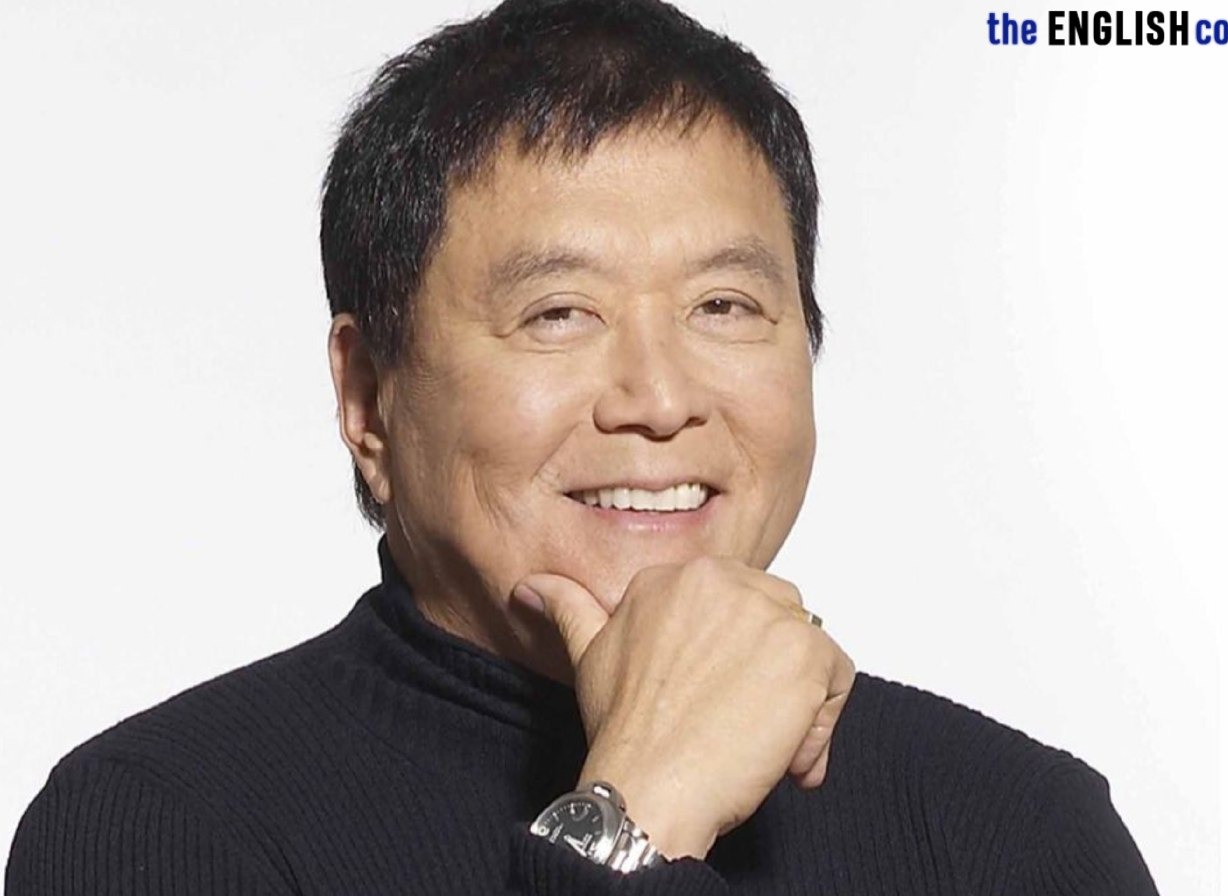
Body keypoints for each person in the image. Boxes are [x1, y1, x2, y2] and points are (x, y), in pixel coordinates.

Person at [5, 0, 1160, 893]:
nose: (658, 399)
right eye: (558, 313)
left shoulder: (1013, 829)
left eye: (723, 305)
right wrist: (635, 816)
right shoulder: (160, 824)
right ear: (366, 397)